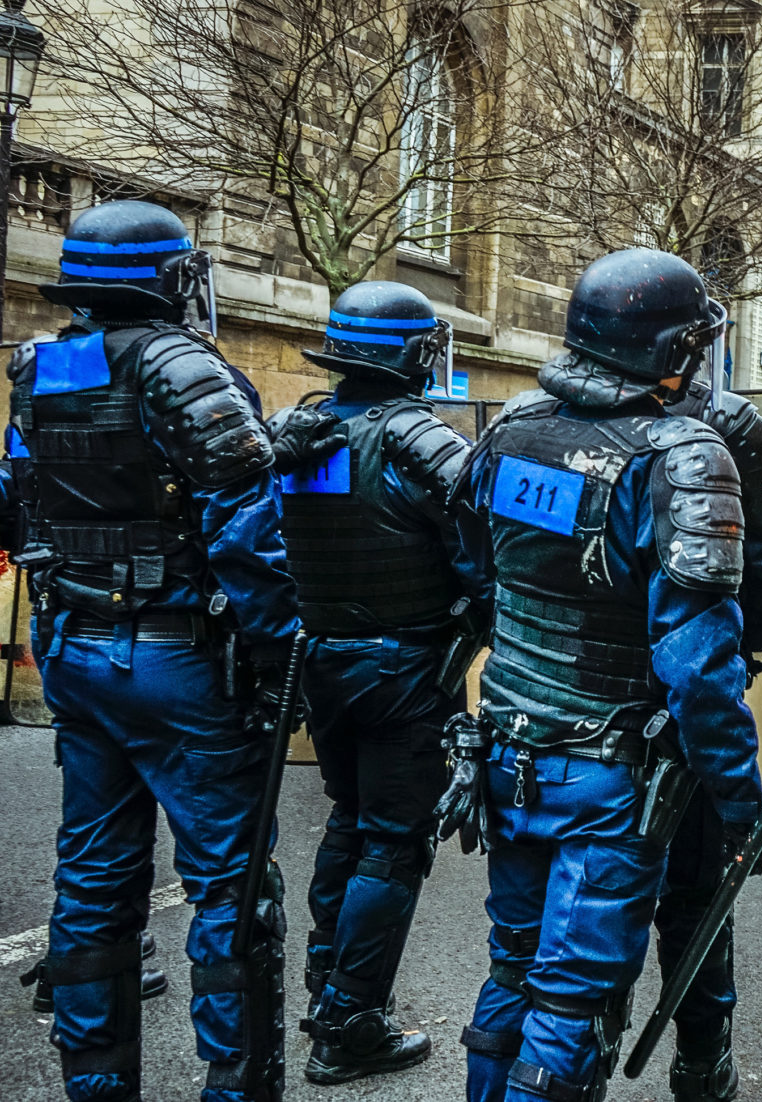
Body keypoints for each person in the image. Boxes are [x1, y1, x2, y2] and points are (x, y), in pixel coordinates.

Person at [438, 248, 762, 1102]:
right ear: (673, 351)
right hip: (606, 775)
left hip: (506, 753)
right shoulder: (682, 456)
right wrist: (738, 803)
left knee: (513, 970)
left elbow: (474, 580)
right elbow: (701, 671)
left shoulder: (512, 430)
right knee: (571, 1002)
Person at [2, 200, 300, 1102]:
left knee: (93, 878)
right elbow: (249, 535)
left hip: (76, 651)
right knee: (231, 889)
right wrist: (287, 658)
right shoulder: (183, 364)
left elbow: (23, 502)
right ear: (172, 279)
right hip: (179, 659)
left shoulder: (36, 368)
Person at [271, 281, 485, 1083]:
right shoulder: (415, 437)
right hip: (405, 668)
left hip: (324, 659)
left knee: (350, 820)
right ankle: (353, 1022)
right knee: (393, 843)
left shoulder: (305, 431)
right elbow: (484, 544)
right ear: (413, 356)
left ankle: (328, 986)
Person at [662, 379, 762, 1101]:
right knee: (694, 896)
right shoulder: (718, 431)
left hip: (542, 725)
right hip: (660, 739)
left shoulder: (534, 426)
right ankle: (700, 1063)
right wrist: (744, 809)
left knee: (530, 946)